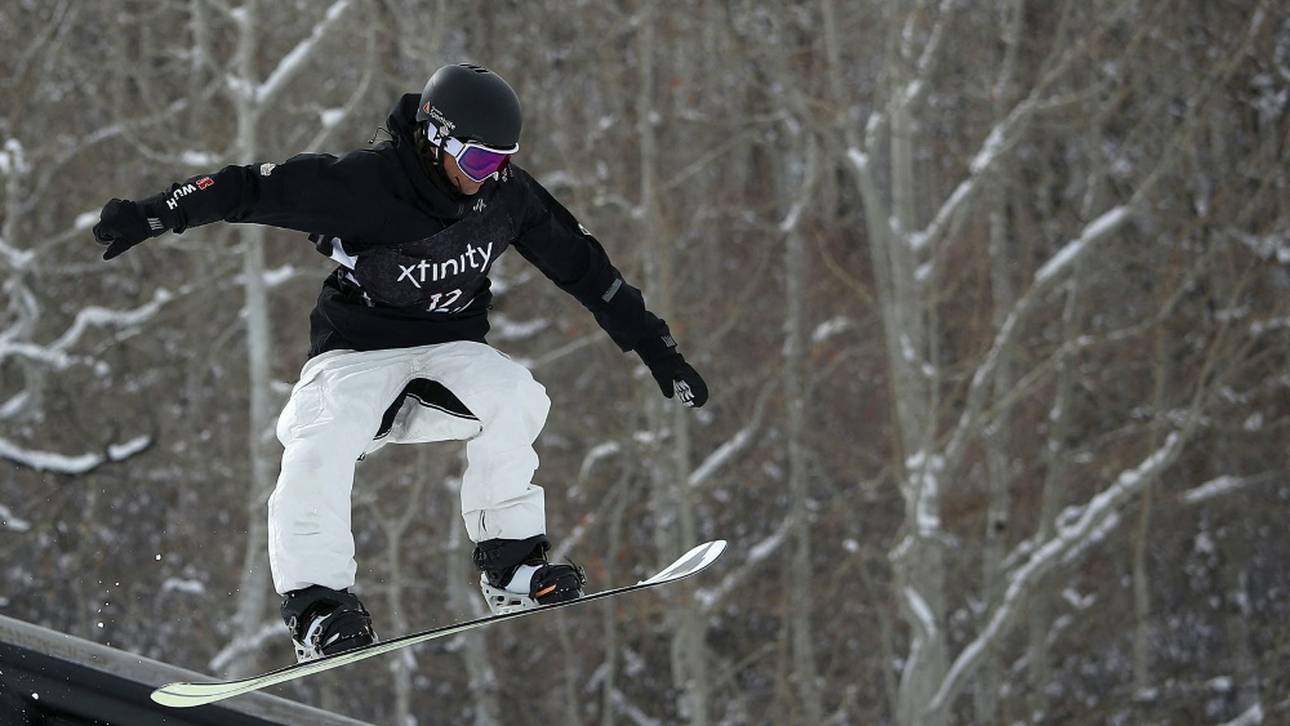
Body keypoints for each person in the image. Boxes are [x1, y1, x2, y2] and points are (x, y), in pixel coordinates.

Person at [91, 63, 709, 662]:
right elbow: (249, 187)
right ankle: (317, 606)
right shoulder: (366, 185)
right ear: (438, 140)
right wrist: (159, 209)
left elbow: (585, 267)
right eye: (477, 161)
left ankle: (512, 566)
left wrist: (658, 348)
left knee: (516, 395)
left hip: (449, 354)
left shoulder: (505, 197)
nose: (489, 175)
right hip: (356, 354)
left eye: (503, 160)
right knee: (320, 438)